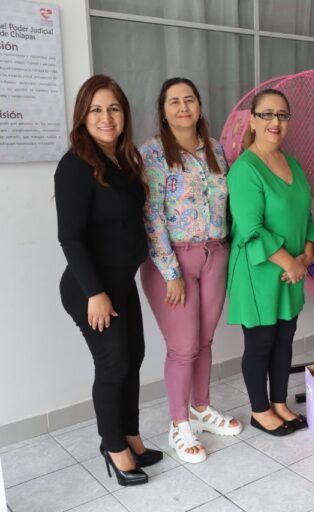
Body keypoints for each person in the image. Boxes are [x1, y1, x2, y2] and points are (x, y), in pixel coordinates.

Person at [55, 75, 162, 487]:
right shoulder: (76, 165)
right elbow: (71, 237)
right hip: (90, 287)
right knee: (113, 363)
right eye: (96, 109)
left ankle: (131, 435)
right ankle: (113, 446)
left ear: (124, 114)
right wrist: (94, 293)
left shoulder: (121, 160)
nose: (106, 117)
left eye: (113, 108)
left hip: (121, 281)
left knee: (133, 357)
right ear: (83, 116)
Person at [139, 78, 242, 463]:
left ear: (199, 106)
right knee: (182, 348)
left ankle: (201, 408)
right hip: (173, 262)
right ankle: (178, 425)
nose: (183, 107)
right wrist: (170, 272)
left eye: (189, 100)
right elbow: (151, 217)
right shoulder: (151, 154)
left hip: (216, 254)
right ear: (163, 111)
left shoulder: (215, 150)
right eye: (174, 101)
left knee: (203, 341)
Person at [227, 89, 314, 436]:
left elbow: (306, 213)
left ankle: (280, 402)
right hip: (260, 272)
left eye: (282, 115)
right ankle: (260, 410)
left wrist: (308, 251)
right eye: (266, 114)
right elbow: (250, 228)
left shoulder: (292, 163)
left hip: (292, 270)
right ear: (252, 121)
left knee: (285, 339)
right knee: (261, 342)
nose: (275, 122)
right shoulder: (245, 169)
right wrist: (290, 263)